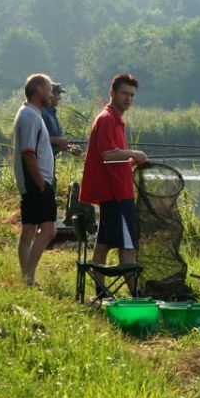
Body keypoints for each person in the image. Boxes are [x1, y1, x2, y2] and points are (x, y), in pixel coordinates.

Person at [79, 73, 147, 295]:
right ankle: (137, 297)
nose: (128, 99)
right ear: (113, 93)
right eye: (124, 94)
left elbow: (114, 161)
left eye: (132, 95)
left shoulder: (116, 121)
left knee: (104, 245)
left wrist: (131, 164)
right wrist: (133, 152)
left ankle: (100, 291)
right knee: (128, 247)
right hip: (117, 195)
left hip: (113, 192)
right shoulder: (107, 119)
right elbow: (107, 155)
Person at [13, 73, 57, 286]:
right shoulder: (30, 116)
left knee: (30, 229)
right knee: (48, 230)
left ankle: (26, 277)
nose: (51, 94)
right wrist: (41, 183)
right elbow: (28, 153)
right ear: (38, 90)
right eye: (49, 89)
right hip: (37, 181)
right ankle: (29, 277)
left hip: (31, 181)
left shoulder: (30, 113)